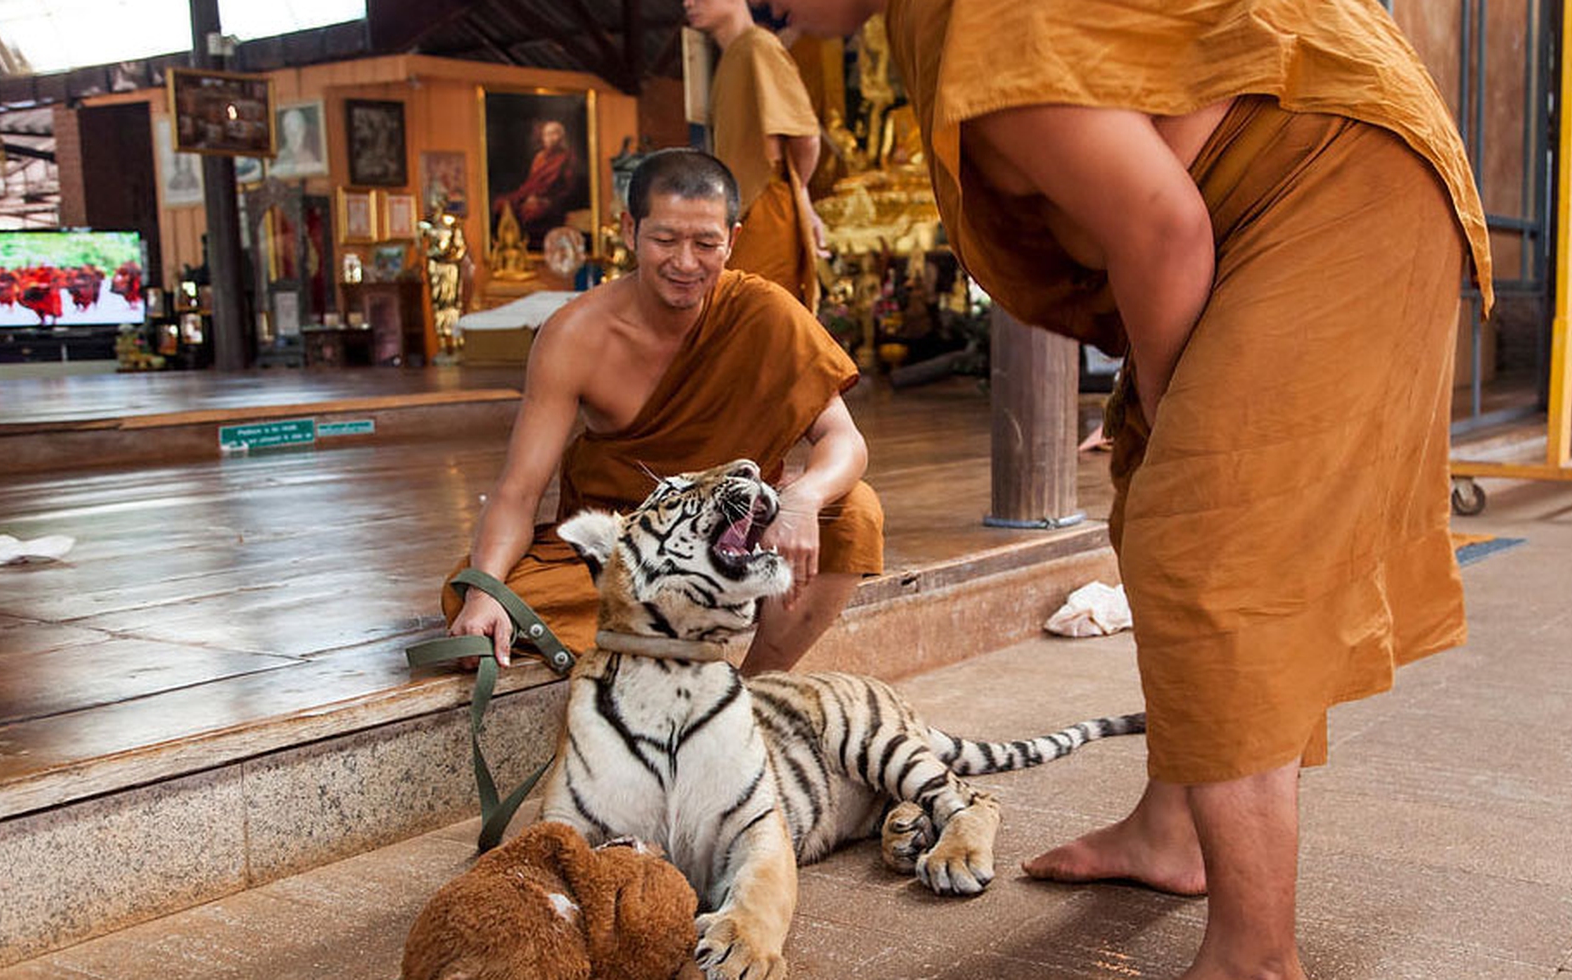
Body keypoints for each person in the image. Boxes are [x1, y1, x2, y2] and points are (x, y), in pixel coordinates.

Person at [763, 1, 1493, 977]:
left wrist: (1168, 399)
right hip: (1274, 182)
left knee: (1211, 540)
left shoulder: (982, 20)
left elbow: (1162, 224)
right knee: (1155, 496)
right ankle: (1171, 828)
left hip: (1338, 178)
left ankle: (1254, 951)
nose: (764, 9)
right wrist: (1159, 410)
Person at [443, 148, 883, 675]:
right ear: (630, 231)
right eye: (665, 240)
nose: (685, 263)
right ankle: (688, 614)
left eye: (706, 244)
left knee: (853, 514)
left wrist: (803, 500)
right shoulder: (575, 336)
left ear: (733, 240)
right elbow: (518, 491)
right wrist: (487, 590)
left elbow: (845, 439)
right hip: (628, 551)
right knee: (488, 594)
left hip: (731, 537)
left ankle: (755, 691)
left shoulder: (764, 313)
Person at [686, 0, 826, 307]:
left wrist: (799, 192)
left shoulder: (758, 46)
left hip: (765, 208)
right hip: (739, 212)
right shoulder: (731, 57)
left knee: (763, 322)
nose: (688, 2)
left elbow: (806, 136)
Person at [493, 120, 585, 250]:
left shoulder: (568, 158)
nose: (550, 138)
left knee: (531, 212)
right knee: (500, 204)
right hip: (530, 196)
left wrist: (547, 201)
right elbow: (532, 183)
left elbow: (569, 190)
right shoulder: (539, 157)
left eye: (554, 134)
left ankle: (531, 249)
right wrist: (527, 197)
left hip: (552, 202)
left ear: (561, 137)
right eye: (546, 134)